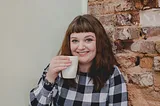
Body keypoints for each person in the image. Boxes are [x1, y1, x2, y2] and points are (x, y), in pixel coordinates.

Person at [30, 14, 128, 106]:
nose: (80, 47)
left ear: (99, 42)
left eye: (88, 40)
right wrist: (50, 78)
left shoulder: (112, 74)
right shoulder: (57, 68)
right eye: (75, 41)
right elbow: (36, 104)